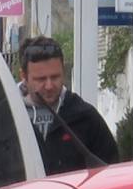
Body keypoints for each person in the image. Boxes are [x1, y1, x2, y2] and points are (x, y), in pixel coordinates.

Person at [17, 35, 119, 174]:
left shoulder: (85, 117)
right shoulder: (7, 117)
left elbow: (111, 172)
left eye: (55, 77)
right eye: (40, 79)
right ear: (23, 76)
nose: (49, 86)